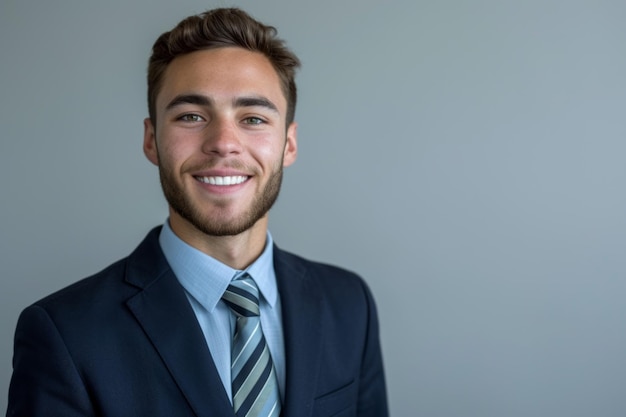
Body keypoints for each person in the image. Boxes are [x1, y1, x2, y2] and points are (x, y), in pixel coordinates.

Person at [6, 8, 388, 417]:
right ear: (152, 140)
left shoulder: (349, 304)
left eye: (253, 118)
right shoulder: (65, 334)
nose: (224, 143)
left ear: (288, 145)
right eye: (191, 116)